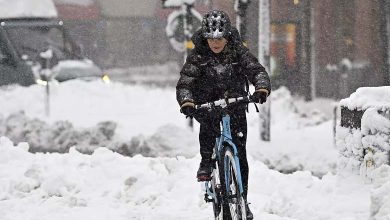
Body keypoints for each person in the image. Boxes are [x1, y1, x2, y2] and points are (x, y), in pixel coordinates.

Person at [176, 10, 271, 219]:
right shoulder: (198, 55)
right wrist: (187, 101)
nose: (216, 43)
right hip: (207, 105)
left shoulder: (238, 51)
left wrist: (261, 87)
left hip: (235, 104)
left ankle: (242, 200)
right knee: (208, 130)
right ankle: (206, 162)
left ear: (228, 36)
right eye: (212, 39)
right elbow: (185, 83)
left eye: (220, 38)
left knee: (240, 154)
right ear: (206, 38)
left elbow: (256, 70)